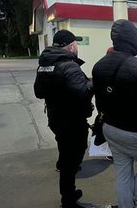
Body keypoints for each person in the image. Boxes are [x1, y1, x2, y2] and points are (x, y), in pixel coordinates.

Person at [92, 19, 137, 208]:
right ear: (134, 41)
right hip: (136, 133)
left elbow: (99, 101)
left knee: (122, 171)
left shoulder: (98, 65)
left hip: (110, 129)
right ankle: (128, 203)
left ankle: (124, 205)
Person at [33, 29, 93, 208]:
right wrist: (93, 82)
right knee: (73, 157)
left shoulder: (45, 64)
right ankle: (68, 199)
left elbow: (38, 92)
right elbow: (83, 93)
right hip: (72, 121)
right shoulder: (69, 65)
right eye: (76, 44)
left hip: (56, 118)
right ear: (72, 45)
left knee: (65, 152)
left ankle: (69, 191)